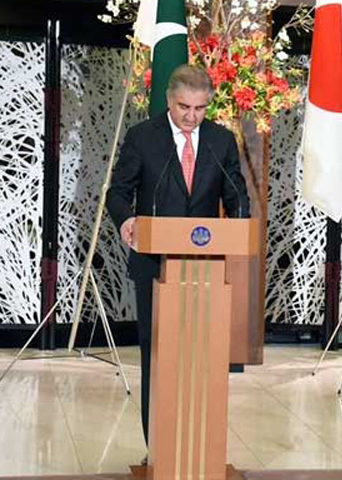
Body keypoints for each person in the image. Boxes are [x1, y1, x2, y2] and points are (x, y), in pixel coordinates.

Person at [106, 64, 250, 450]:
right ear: (170, 101)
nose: (191, 117)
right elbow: (118, 193)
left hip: (204, 268)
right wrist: (126, 220)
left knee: (201, 359)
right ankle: (159, 447)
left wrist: (239, 223)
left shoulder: (221, 141)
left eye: (200, 109)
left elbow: (236, 193)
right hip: (154, 266)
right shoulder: (143, 138)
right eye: (184, 107)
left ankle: (198, 446)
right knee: (159, 358)